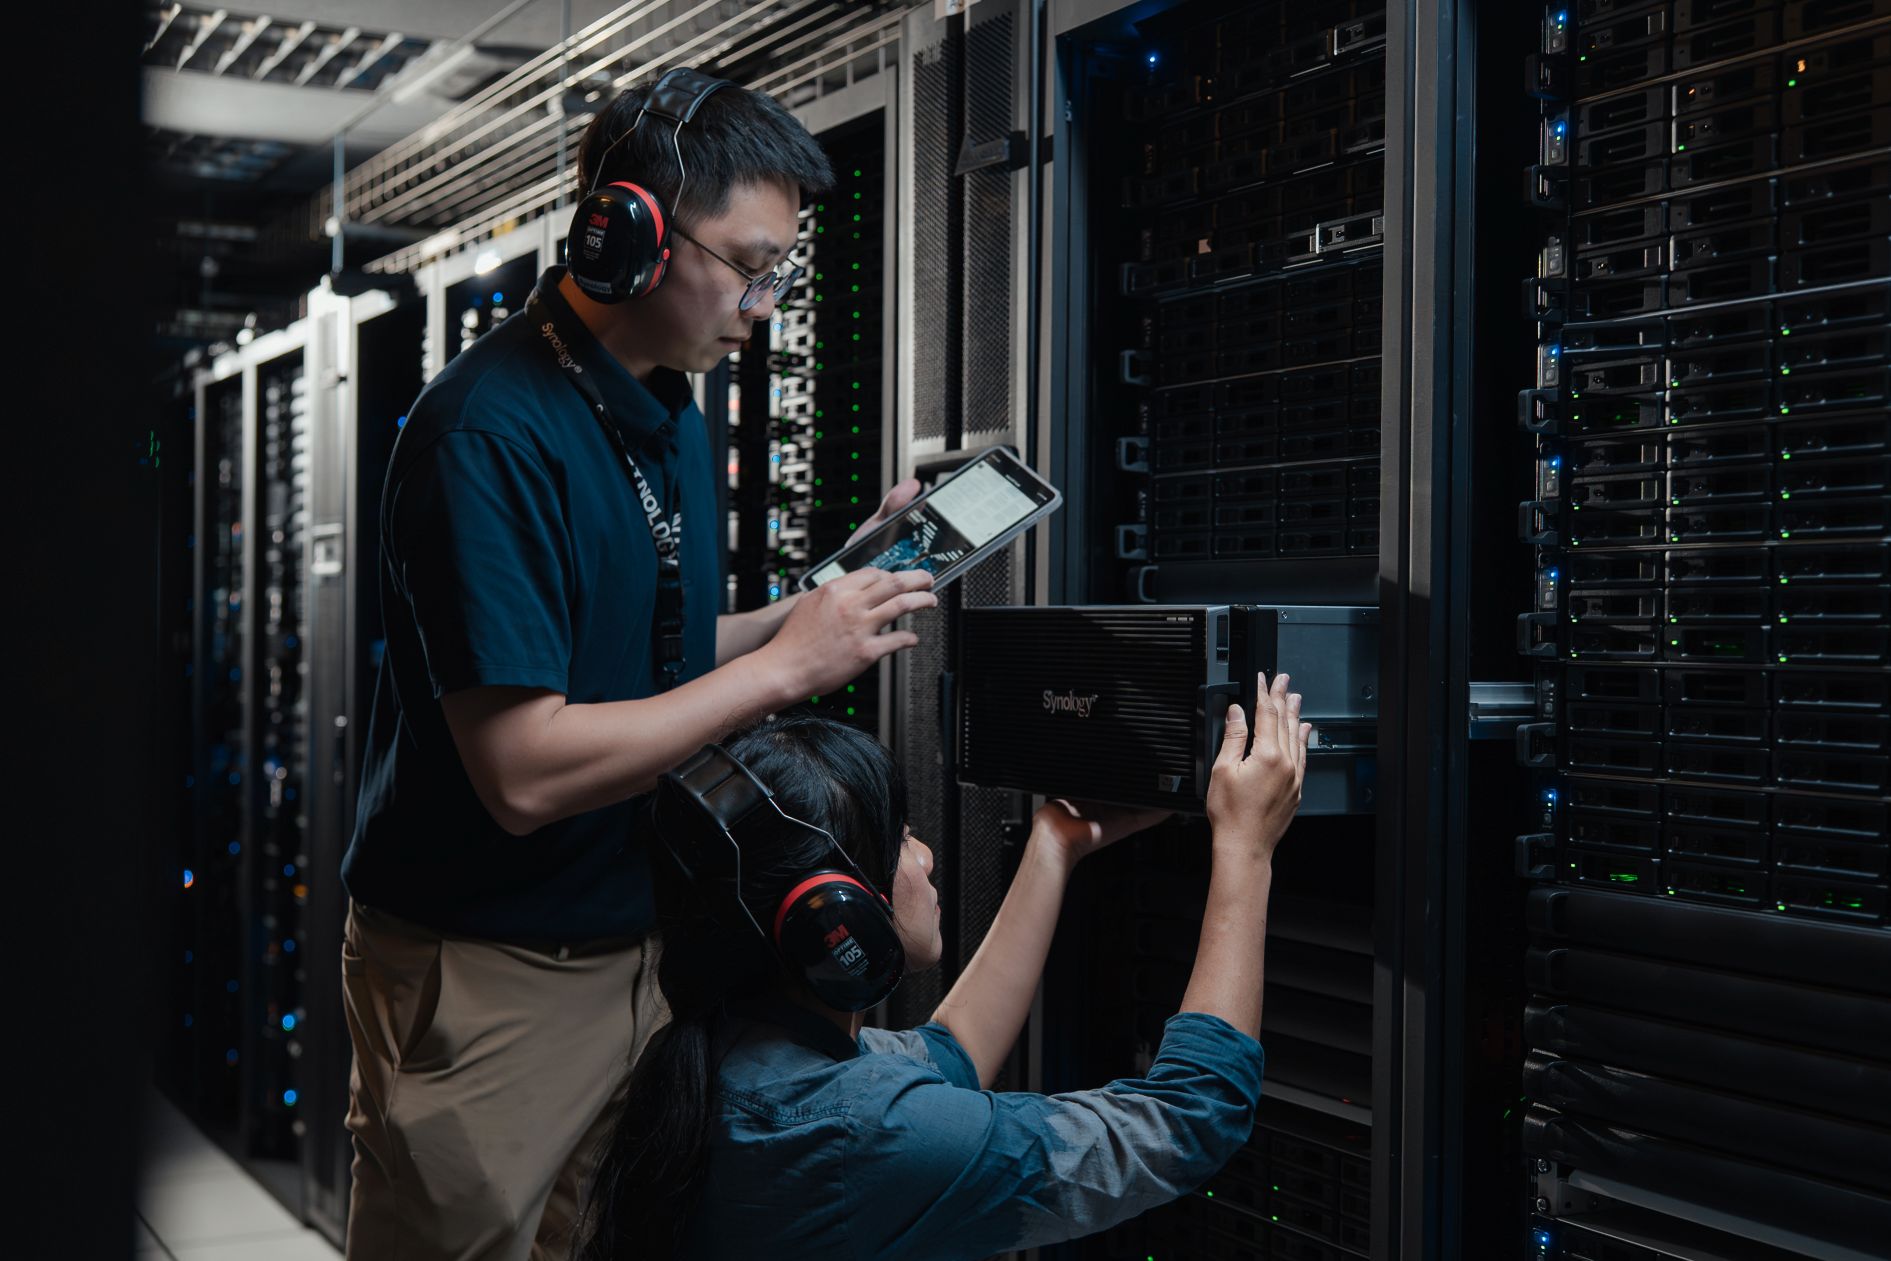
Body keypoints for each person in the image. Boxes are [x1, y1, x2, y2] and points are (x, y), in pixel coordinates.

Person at [336, 69, 935, 1261]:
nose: (766, 302)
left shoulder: (661, 408)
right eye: (752, 265)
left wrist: (800, 613)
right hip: (491, 970)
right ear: (631, 230)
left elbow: (636, 663)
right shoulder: (486, 435)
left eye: (786, 275)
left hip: (638, 951)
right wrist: (781, 674)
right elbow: (524, 768)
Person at [578, 672, 1312, 1259]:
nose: (925, 856)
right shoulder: (858, 1132)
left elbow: (949, 1055)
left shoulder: (736, 1057)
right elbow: (1189, 1120)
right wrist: (1244, 849)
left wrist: (1053, 843)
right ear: (834, 916)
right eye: (900, 839)